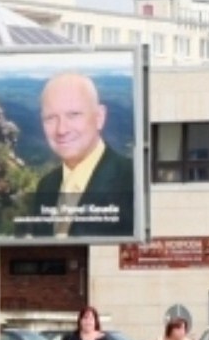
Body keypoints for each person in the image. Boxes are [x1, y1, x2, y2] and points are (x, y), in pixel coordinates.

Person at [29, 72, 135, 238]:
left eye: (73, 115)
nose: (61, 129)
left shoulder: (132, 180)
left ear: (99, 117)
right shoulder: (46, 186)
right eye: (50, 118)